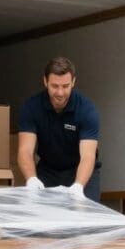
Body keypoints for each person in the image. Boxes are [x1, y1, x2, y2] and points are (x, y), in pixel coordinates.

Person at [18, 57, 101, 200]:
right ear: (45, 81)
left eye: (65, 86)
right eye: (55, 86)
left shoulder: (87, 110)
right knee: (43, 216)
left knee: (85, 216)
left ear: (73, 82)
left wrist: (78, 185)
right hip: (48, 170)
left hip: (79, 168)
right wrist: (31, 179)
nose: (60, 93)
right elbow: (25, 150)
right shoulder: (31, 107)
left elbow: (88, 156)